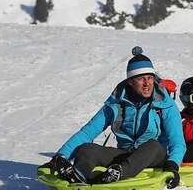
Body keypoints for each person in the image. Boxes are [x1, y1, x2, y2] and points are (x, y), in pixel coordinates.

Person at [42, 47, 185, 188]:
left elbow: (177, 141)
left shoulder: (165, 105)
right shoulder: (116, 104)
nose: (147, 83)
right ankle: (78, 176)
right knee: (87, 149)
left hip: (154, 157)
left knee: (153, 145)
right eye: (141, 79)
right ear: (130, 81)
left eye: (150, 78)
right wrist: (61, 156)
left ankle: (117, 174)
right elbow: (87, 133)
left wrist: (173, 165)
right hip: (125, 155)